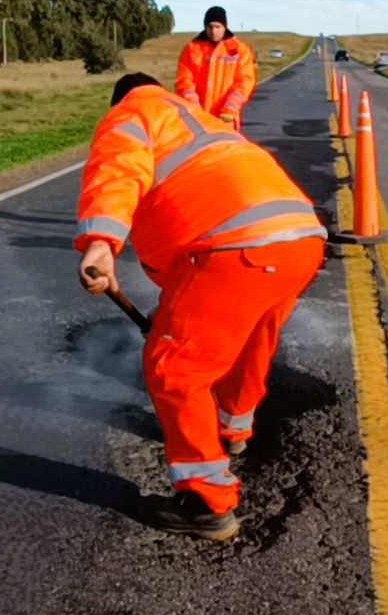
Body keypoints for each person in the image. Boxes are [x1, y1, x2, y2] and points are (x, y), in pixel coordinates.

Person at [75, 73, 327, 540]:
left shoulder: (132, 112)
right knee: (250, 339)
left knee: (174, 368)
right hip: (299, 237)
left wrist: (100, 242)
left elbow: (118, 170)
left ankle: (207, 502)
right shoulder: (202, 122)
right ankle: (233, 433)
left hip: (234, 246)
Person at [175, 6, 257, 130]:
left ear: (225, 26)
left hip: (226, 119)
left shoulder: (239, 50)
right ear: (205, 27)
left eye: (217, 27)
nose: (213, 31)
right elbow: (184, 82)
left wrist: (230, 109)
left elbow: (245, 82)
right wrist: (194, 109)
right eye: (210, 27)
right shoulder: (191, 50)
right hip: (197, 120)